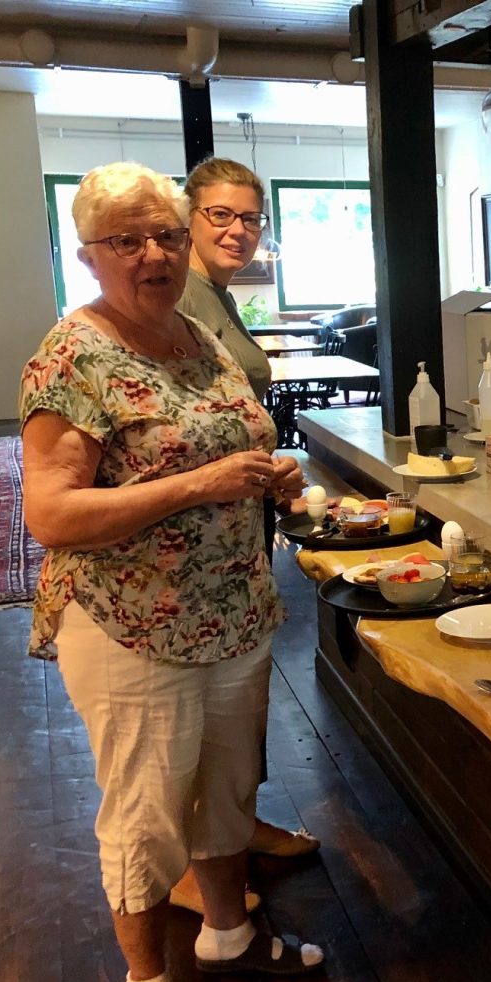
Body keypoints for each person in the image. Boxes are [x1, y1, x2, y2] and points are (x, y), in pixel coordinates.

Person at [19, 162, 321, 982]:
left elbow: (233, 441)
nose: (152, 254)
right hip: (133, 628)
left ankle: (229, 933)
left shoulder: (197, 336)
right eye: (126, 240)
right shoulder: (74, 357)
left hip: (232, 613)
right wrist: (199, 485)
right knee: (147, 814)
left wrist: (273, 473)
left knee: (227, 791)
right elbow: (51, 514)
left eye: (163, 234)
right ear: (88, 254)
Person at [176, 155, 322, 888]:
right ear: (188, 218)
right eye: (220, 215)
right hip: (200, 531)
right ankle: (186, 861)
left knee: (235, 686)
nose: (239, 230)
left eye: (251, 218)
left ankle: (235, 824)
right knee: (202, 696)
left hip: (238, 516)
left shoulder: (218, 296)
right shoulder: (183, 297)